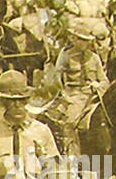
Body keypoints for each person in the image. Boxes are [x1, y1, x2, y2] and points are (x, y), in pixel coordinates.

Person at [40, 23, 107, 155]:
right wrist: (65, 95)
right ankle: (71, 153)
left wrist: (98, 85)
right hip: (74, 94)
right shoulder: (66, 55)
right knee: (70, 122)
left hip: (94, 94)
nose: (85, 43)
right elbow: (56, 78)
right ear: (74, 39)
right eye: (81, 40)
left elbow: (104, 80)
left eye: (87, 41)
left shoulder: (94, 57)